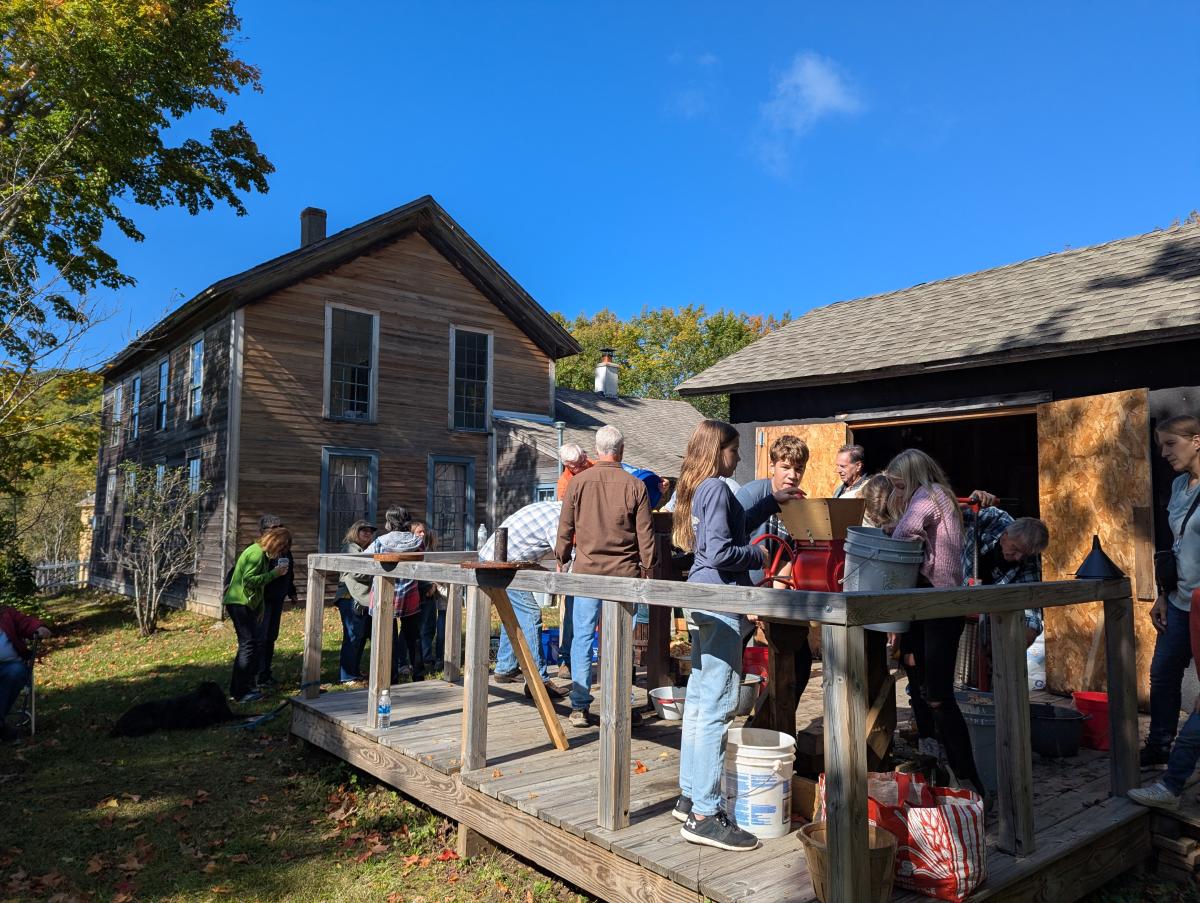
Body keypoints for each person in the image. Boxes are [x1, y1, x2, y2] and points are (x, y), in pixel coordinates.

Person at [671, 420, 800, 851]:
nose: (739, 456)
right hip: (720, 602)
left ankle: (689, 794)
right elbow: (722, 551)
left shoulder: (701, 489)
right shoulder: (716, 486)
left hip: (700, 598)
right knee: (718, 708)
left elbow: (734, 523)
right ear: (717, 450)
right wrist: (758, 553)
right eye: (733, 449)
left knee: (699, 703)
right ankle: (706, 814)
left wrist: (772, 500)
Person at [884, 448, 985, 797]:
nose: (898, 491)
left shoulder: (929, 495)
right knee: (919, 682)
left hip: (938, 603)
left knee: (938, 695)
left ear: (912, 477)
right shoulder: (938, 496)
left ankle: (968, 779)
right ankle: (936, 765)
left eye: (900, 485)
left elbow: (905, 533)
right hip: (927, 603)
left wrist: (890, 531)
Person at [555, 424, 657, 728]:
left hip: (586, 573)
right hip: (624, 576)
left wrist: (561, 558)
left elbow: (565, 527)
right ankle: (621, 704)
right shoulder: (635, 486)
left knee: (582, 639)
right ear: (621, 450)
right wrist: (648, 568)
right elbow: (646, 536)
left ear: (597, 451)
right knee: (620, 640)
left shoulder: (578, 483)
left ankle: (579, 707)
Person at [1137, 415, 1200, 770]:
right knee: (1162, 673)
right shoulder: (1179, 487)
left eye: (1170, 444)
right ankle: (1160, 745)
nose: (1163, 452)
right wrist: (1163, 593)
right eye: (1161, 444)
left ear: (1197, 441)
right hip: (1178, 602)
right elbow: (1174, 545)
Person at [735, 434, 813, 706]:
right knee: (730, 662)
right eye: (785, 467)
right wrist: (749, 601)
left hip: (771, 595)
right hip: (738, 594)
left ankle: (774, 721)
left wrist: (775, 601)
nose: (792, 475)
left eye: (798, 468)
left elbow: (790, 555)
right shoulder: (750, 495)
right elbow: (729, 547)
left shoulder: (801, 504)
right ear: (772, 467)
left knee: (800, 661)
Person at [481, 501, 569, 700]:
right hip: (502, 564)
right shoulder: (558, 519)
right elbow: (564, 554)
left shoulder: (552, 507)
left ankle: (506, 668)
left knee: (512, 614)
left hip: (499, 559)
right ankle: (538, 682)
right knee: (531, 614)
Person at [224, 526, 291, 703]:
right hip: (239, 603)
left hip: (245, 603)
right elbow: (249, 581)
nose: (281, 552)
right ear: (276, 542)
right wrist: (274, 574)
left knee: (249, 645)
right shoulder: (257, 554)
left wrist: (259, 610)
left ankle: (239, 688)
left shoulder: (258, 552)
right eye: (282, 548)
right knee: (249, 645)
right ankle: (241, 692)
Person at [965, 511, 1050, 646]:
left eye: (1024, 554)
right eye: (1015, 549)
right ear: (1005, 536)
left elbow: (1031, 606)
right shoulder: (991, 518)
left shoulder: (1028, 562)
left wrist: (1020, 641)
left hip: (983, 617)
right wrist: (970, 501)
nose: (1018, 558)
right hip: (944, 592)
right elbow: (949, 511)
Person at [367, 506, 425, 682]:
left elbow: (363, 558)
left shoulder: (381, 541)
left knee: (387, 638)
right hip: (410, 593)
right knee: (413, 637)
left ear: (389, 522)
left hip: (385, 594)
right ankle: (418, 675)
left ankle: (389, 677)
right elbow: (424, 560)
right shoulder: (418, 542)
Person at [254, 513, 296, 690]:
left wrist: (292, 592)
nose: (280, 530)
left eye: (281, 526)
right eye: (275, 528)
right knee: (260, 639)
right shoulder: (258, 551)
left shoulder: (284, 550)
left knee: (271, 638)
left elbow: (289, 573)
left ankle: (265, 674)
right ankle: (254, 676)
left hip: (277, 599)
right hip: (261, 601)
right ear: (264, 531)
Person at [334, 519, 377, 683]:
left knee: (358, 637)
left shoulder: (364, 549)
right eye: (363, 530)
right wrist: (377, 570)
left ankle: (353, 672)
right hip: (350, 598)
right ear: (355, 532)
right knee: (352, 637)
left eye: (370, 531)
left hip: (361, 598)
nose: (367, 533)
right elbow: (357, 573)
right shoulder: (351, 547)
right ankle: (347, 676)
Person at [0, 605, 50, 741]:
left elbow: (25, 622)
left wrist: (38, 628)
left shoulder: (6, 614)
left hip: (10, 665)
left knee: (16, 671)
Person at [411, 522, 447, 673]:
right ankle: (414, 661)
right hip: (419, 594)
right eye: (419, 532)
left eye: (423, 532)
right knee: (418, 629)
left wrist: (433, 585)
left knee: (429, 629)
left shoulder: (427, 550)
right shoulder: (413, 550)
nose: (422, 534)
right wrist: (429, 585)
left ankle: (427, 659)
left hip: (430, 595)